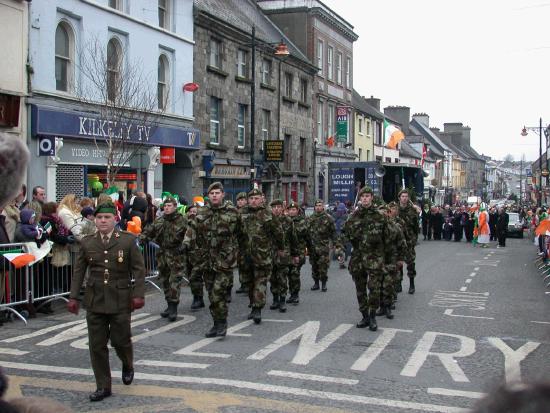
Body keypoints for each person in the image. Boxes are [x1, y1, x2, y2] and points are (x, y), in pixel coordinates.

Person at [67, 201, 145, 402]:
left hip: (120, 299)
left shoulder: (127, 241)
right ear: (95, 219)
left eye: (107, 218)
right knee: (96, 345)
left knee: (121, 341)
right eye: (99, 217)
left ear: (114, 219)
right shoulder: (88, 242)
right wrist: (74, 297)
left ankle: (127, 364)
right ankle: (103, 386)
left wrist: (138, 295)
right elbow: (79, 272)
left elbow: (138, 270)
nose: (102, 221)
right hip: (95, 300)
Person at [184, 182, 241, 337]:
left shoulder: (233, 212)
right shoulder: (202, 212)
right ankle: (217, 323)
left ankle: (222, 323)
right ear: (208, 196)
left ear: (223, 194)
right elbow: (192, 228)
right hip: (207, 260)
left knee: (218, 292)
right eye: (212, 193)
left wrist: (240, 253)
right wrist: (186, 243)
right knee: (211, 294)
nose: (214, 195)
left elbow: (241, 233)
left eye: (217, 193)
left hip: (225, 261)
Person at [340, 187, 392, 331]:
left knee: (374, 289)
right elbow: (344, 233)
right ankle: (365, 316)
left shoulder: (380, 216)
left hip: (375, 257)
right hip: (358, 257)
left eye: (367, 196)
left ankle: (373, 316)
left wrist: (386, 258)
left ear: (371, 198)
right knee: (360, 289)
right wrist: (343, 248)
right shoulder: (354, 216)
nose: (364, 199)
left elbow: (388, 237)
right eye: (362, 196)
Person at [239, 188, 284, 324]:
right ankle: (253, 305)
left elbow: (278, 233)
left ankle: (257, 309)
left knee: (260, 283)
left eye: (256, 198)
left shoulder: (268, 214)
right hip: (245, 256)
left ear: (261, 199)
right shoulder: (241, 213)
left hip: (262, 255)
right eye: (251, 198)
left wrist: (280, 248)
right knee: (248, 283)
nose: (253, 201)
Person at [139, 197, 187, 321]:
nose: (166, 208)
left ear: (175, 207)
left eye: (169, 206)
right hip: (162, 255)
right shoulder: (159, 221)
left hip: (176, 254)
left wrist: (185, 246)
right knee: (165, 281)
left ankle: (174, 307)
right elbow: (148, 232)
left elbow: (190, 235)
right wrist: (141, 240)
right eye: (165, 206)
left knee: (174, 281)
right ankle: (169, 304)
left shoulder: (182, 220)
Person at [268, 199, 298, 313]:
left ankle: (282, 300)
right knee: (272, 278)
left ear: (282, 208)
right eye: (274, 207)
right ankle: (275, 299)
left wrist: (295, 255)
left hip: (284, 254)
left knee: (282, 277)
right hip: (270, 254)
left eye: (279, 207)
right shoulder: (267, 220)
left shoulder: (288, 221)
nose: (276, 209)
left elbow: (293, 239)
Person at [307, 200, 337, 292]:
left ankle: (323, 284)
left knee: (323, 266)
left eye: (320, 205)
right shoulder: (310, 218)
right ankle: (316, 283)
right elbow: (306, 233)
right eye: (317, 206)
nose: (318, 207)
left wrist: (335, 244)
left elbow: (333, 233)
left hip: (323, 247)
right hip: (312, 247)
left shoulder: (328, 218)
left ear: (323, 206)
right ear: (315, 207)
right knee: (314, 266)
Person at [397, 190, 419, 294]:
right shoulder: (395, 209)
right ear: (399, 198)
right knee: (398, 263)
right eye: (402, 196)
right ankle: (399, 284)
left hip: (409, 240)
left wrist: (414, 239)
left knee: (410, 263)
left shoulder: (412, 210)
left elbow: (416, 226)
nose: (404, 198)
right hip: (398, 241)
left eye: (406, 196)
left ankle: (412, 284)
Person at [286, 201, 308, 304]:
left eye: (294, 210)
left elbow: (308, 237)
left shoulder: (302, 222)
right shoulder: (284, 221)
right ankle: (291, 293)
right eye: (290, 210)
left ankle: (295, 294)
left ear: (297, 211)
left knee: (294, 273)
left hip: (298, 252)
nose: (292, 211)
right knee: (288, 273)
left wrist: (310, 251)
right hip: (287, 252)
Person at [186, 203, 206, 310]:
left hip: (199, 254)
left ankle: (197, 299)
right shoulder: (184, 223)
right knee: (191, 277)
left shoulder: (201, 222)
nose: (192, 213)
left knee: (195, 276)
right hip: (187, 254)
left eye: (195, 212)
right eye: (191, 212)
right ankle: (198, 297)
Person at [235, 192, 250, 295]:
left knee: (247, 265)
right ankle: (243, 284)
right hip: (238, 243)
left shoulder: (249, 211)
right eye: (238, 200)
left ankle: (248, 285)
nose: (240, 202)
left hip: (247, 243)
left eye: (242, 200)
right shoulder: (235, 212)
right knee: (241, 264)